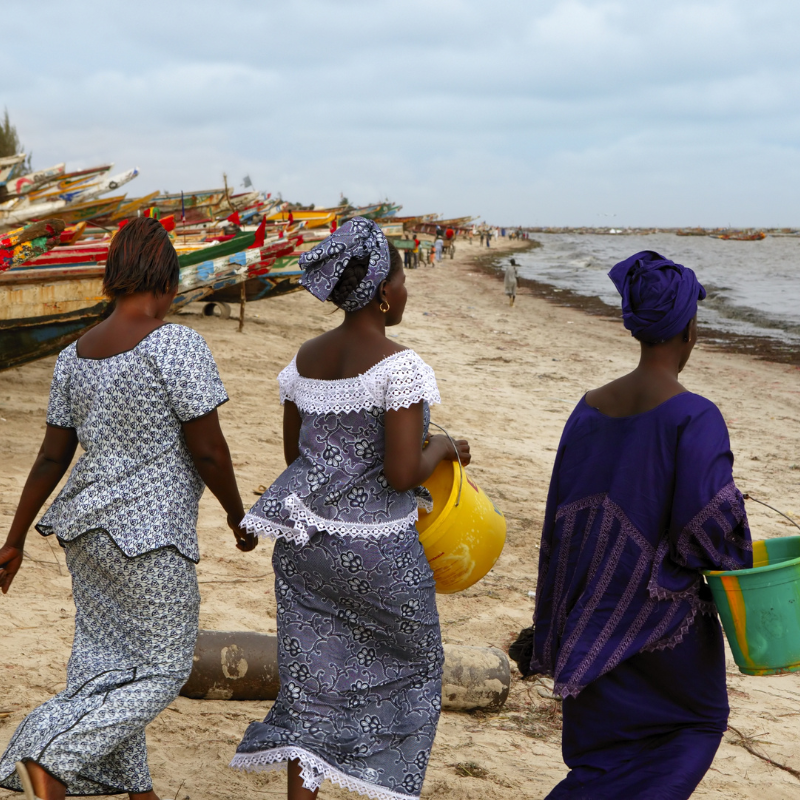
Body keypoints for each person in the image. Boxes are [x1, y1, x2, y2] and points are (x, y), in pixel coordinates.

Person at [0, 216, 256, 800]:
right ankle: (46, 760)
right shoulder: (177, 345)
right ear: (166, 280)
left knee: (108, 667)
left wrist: (13, 539)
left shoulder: (74, 356)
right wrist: (238, 516)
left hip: (86, 534)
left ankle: (136, 792)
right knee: (162, 667)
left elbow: (49, 458)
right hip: (151, 539)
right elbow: (210, 450)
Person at [230, 217, 470, 800]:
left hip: (304, 547)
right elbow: (401, 472)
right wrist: (443, 447)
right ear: (384, 293)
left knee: (312, 686)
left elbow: (298, 459)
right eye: (404, 278)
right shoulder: (400, 365)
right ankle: (385, 785)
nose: (407, 290)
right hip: (379, 550)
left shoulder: (305, 361)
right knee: (415, 668)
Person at [521, 251, 752, 800]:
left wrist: (556, 622)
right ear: (689, 328)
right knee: (694, 728)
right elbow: (708, 532)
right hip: (662, 636)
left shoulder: (587, 409)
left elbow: (559, 522)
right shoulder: (695, 415)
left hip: (589, 620)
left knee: (598, 763)